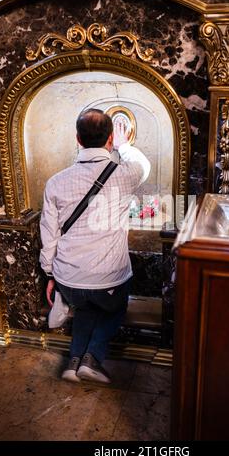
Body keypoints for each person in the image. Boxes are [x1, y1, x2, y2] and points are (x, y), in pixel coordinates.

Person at [39, 108, 150, 384]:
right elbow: (143, 166)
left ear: (77, 139)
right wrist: (125, 146)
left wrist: (50, 274)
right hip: (108, 279)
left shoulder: (55, 183)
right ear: (110, 139)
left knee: (86, 309)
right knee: (115, 307)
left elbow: (48, 235)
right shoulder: (125, 174)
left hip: (69, 277)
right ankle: (93, 358)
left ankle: (73, 363)